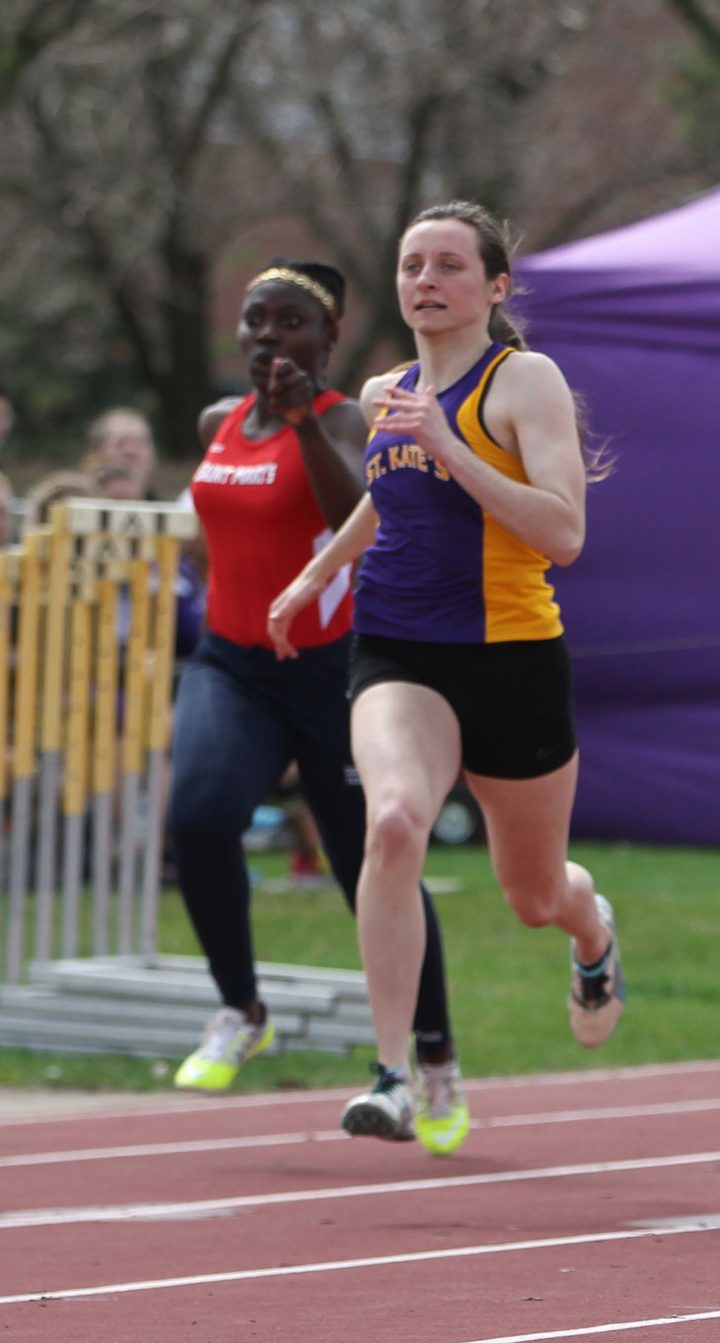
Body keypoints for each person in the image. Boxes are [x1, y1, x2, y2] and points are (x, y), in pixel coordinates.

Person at [269, 201, 623, 1143]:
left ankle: (593, 934)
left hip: (511, 656)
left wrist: (450, 445)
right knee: (392, 826)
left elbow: (564, 532)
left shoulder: (524, 381)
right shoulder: (389, 388)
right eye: (411, 265)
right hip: (397, 649)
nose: (425, 280)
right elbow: (388, 501)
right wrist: (314, 573)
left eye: (448, 265)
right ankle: (392, 1070)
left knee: (534, 894)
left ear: (494, 287)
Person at [166, 261, 466, 1145]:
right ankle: (240, 1008)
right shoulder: (218, 422)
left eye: (290, 322)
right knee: (200, 816)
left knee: (377, 863)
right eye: (257, 321)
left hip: (333, 672)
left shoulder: (346, 418)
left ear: (326, 339)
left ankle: (436, 1055)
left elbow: (356, 517)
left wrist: (301, 421)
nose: (268, 337)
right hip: (233, 664)